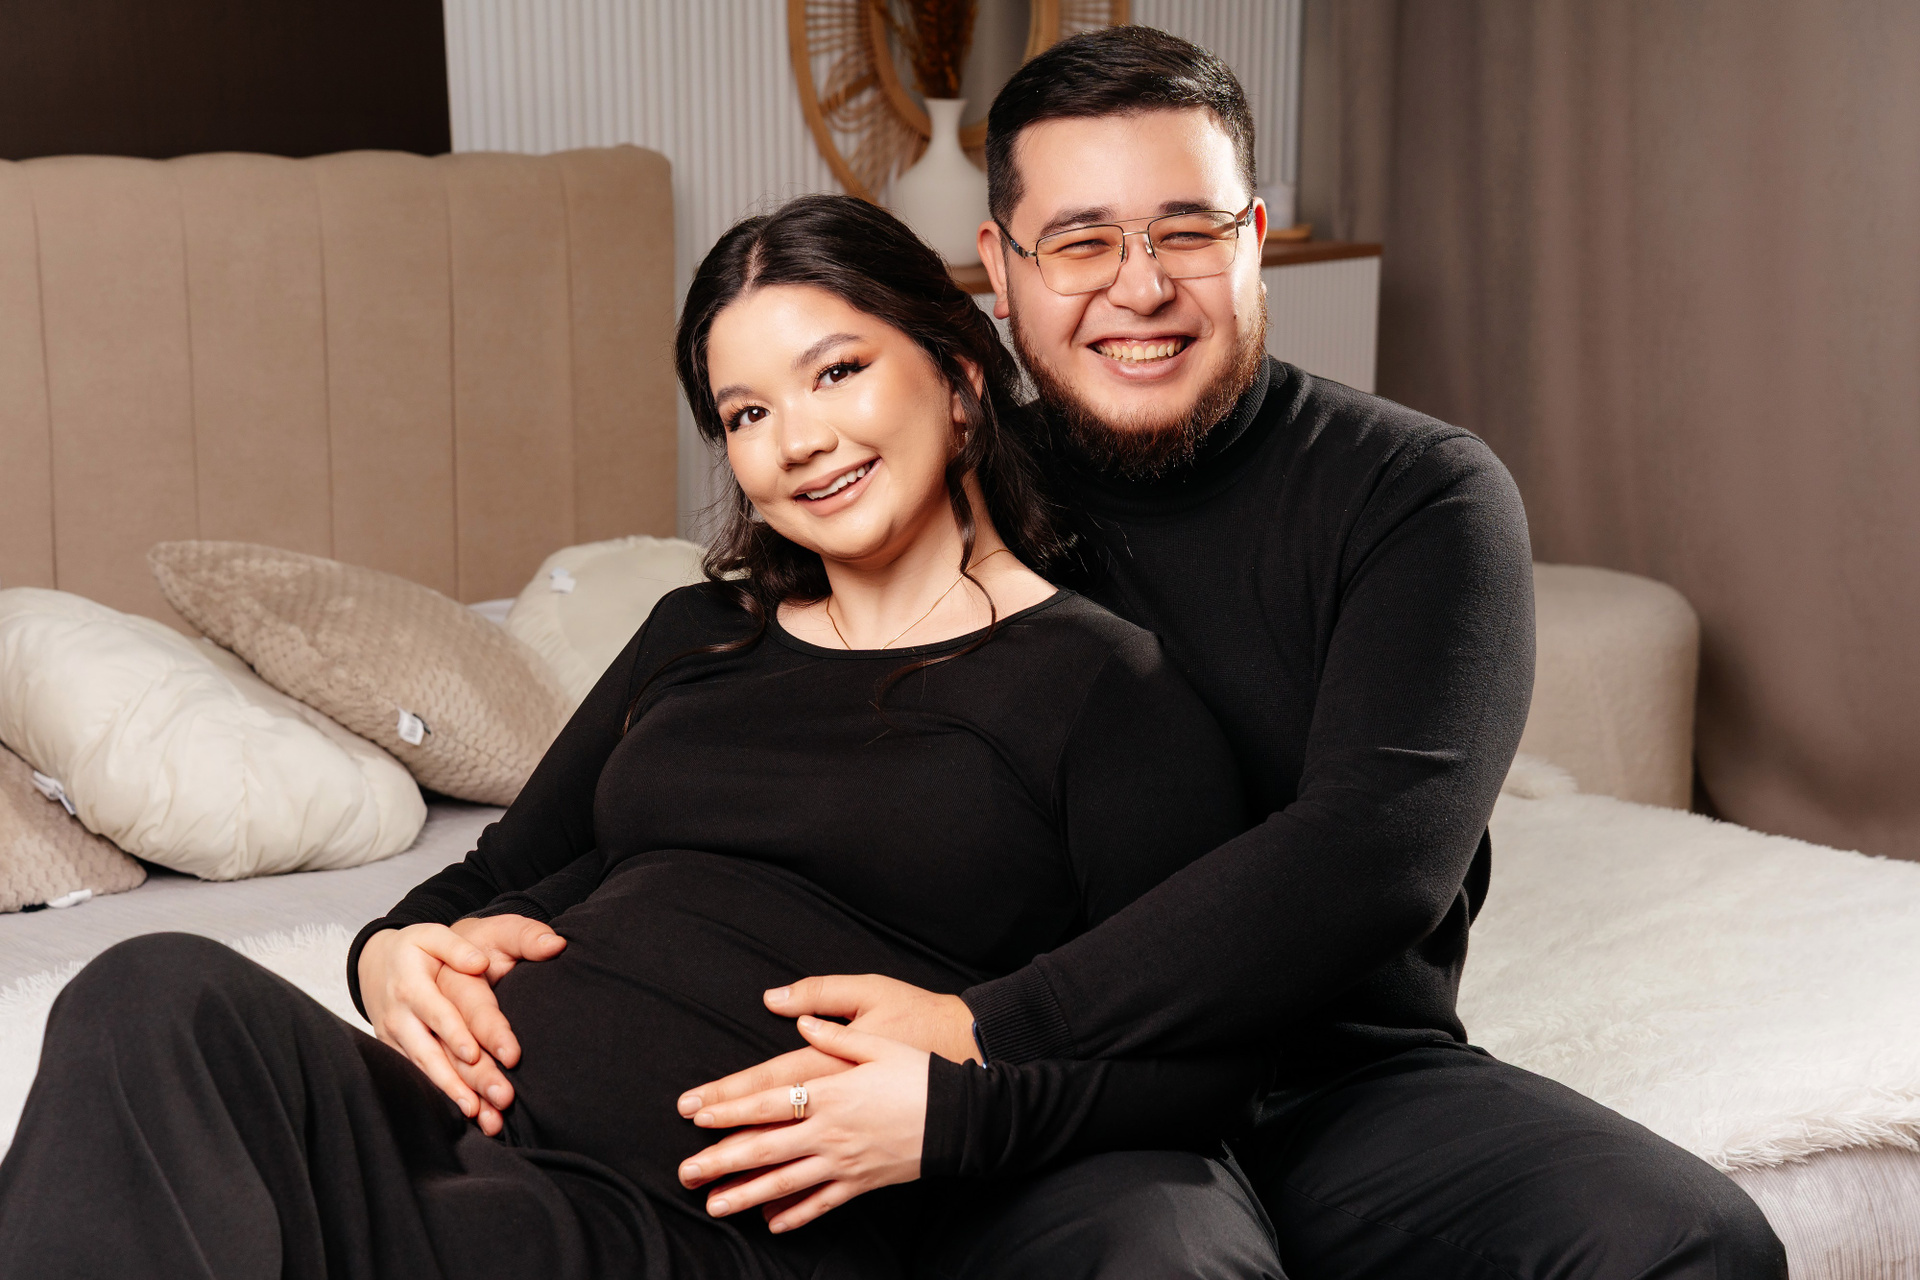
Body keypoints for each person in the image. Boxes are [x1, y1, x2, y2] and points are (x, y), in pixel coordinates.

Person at [673, 27, 1788, 1280]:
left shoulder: (1419, 492)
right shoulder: (943, 484)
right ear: (1001, 272)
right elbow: (734, 699)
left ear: (1255, 238)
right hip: (1060, 1102)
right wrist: (478, 914)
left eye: (1188, 231)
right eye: (1081, 242)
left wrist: (989, 1021)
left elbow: (1374, 854)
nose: (1140, 288)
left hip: (1332, 1082)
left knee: (1692, 1240)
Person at [0, 195, 1281, 1278]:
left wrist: (954, 1115)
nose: (800, 441)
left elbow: (1207, 1057)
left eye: (837, 371)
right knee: (149, 991)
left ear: (956, 378)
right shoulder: (699, 630)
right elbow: (488, 878)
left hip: (680, 1225)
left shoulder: (1101, 685)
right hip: (460, 1144)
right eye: (746, 413)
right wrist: (385, 957)